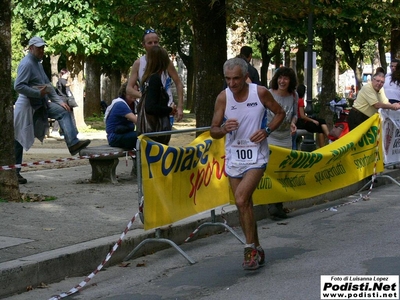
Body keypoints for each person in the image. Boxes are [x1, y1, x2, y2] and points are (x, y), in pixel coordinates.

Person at [210, 57, 285, 270]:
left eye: (236, 79)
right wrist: (223, 129)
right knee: (244, 204)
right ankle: (258, 248)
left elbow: (280, 113)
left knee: (241, 199)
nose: (232, 84)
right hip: (234, 156)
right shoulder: (223, 98)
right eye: (228, 79)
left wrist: (267, 130)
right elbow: (213, 130)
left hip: (256, 156)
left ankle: (249, 249)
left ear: (245, 77)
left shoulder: (259, 93)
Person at [14, 36, 90, 184]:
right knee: (18, 138)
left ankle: (73, 142)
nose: (42, 50)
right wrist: (37, 93)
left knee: (63, 110)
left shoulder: (38, 63)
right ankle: (14, 173)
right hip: (26, 104)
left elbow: (47, 85)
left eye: (43, 47)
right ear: (31, 48)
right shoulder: (26, 63)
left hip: (40, 103)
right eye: (39, 48)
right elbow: (18, 86)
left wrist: (59, 101)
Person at [126, 29, 184, 124]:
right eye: (150, 43)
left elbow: (178, 83)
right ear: (143, 45)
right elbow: (129, 89)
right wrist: (146, 96)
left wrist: (180, 107)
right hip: (148, 110)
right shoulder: (138, 63)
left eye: (156, 42)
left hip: (166, 109)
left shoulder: (166, 62)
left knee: (163, 136)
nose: (153, 45)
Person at [266, 67, 298, 219]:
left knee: (283, 172)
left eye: (286, 78)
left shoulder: (293, 95)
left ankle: (278, 204)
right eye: (280, 77)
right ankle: (272, 204)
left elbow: (295, 114)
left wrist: (293, 123)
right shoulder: (269, 94)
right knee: (272, 170)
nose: (282, 81)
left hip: (286, 137)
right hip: (270, 136)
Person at [138, 46, 177, 145]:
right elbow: (150, 107)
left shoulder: (148, 78)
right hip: (155, 133)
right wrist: (169, 109)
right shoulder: (155, 79)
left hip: (151, 133)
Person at [104, 82, 138, 149]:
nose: (135, 93)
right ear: (125, 92)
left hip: (124, 134)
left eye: (137, 91)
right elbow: (138, 121)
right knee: (142, 136)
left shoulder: (134, 104)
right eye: (133, 91)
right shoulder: (120, 104)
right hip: (114, 137)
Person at [296, 84, 330, 148]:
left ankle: (328, 140)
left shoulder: (296, 100)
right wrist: (313, 120)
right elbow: (302, 116)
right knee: (320, 125)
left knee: (321, 122)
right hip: (301, 123)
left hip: (299, 121)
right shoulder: (300, 101)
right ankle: (328, 140)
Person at [52, 68, 78, 138]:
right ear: (64, 73)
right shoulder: (62, 80)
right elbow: (65, 85)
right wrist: (71, 83)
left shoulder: (60, 81)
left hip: (65, 100)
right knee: (64, 115)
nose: (68, 75)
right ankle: (56, 130)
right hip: (64, 101)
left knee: (68, 116)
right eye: (67, 74)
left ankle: (71, 131)